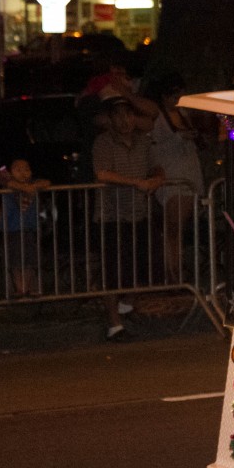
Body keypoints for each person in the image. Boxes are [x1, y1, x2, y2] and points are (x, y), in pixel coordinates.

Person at [93, 95, 165, 341]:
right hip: (111, 215)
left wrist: (155, 179)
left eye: (128, 114)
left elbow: (156, 167)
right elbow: (102, 173)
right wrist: (136, 182)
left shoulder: (143, 142)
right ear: (111, 120)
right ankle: (114, 324)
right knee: (112, 272)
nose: (124, 121)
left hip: (139, 212)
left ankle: (126, 305)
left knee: (147, 267)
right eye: (118, 116)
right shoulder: (103, 142)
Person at [149, 73, 204, 283]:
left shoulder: (183, 114)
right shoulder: (157, 117)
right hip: (173, 177)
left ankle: (175, 271)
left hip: (188, 175)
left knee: (178, 229)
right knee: (172, 229)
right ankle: (172, 273)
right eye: (174, 95)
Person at [1, 158, 50, 296]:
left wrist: (33, 187)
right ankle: (19, 287)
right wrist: (23, 187)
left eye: (26, 169)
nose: (23, 173)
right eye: (18, 170)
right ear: (11, 172)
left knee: (31, 258)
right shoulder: (8, 185)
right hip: (12, 229)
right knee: (15, 259)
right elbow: (0, 172)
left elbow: (47, 182)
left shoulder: (33, 184)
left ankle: (26, 286)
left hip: (29, 228)